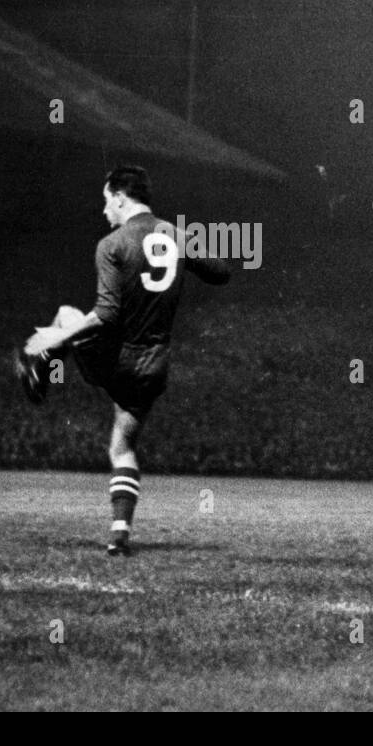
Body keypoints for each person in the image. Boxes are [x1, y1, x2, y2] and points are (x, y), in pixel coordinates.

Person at [19, 166, 229, 556]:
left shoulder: (112, 244)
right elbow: (222, 272)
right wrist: (188, 245)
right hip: (153, 366)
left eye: (105, 202)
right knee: (123, 445)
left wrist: (55, 338)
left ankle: (44, 362)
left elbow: (107, 314)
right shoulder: (176, 235)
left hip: (117, 358)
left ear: (119, 197)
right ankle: (119, 532)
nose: (104, 211)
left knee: (66, 313)